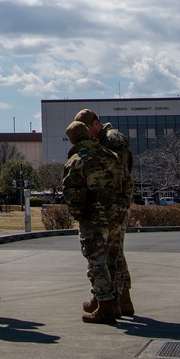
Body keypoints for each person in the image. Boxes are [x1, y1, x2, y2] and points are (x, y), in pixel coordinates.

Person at [62, 119, 124, 325]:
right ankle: (108, 300)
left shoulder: (77, 161)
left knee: (96, 262)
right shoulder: (110, 155)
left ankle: (105, 306)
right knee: (111, 259)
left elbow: (73, 196)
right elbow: (123, 183)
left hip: (93, 218)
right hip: (116, 215)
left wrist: (79, 215)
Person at [74, 107, 135, 316]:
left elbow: (119, 174)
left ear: (95, 124)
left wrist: (120, 205)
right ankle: (121, 300)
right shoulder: (103, 140)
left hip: (112, 207)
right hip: (115, 207)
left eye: (87, 129)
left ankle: (112, 300)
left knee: (110, 254)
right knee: (114, 252)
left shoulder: (112, 139)